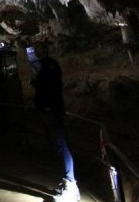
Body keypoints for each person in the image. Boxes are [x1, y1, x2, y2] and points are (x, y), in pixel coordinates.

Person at [32, 41, 79, 202]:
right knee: (56, 144)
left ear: (45, 50)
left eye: (39, 49)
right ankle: (66, 180)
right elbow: (43, 86)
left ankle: (71, 183)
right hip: (46, 109)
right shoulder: (43, 66)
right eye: (35, 49)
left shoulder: (50, 65)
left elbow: (51, 87)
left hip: (51, 110)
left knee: (61, 143)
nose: (37, 52)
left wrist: (49, 107)